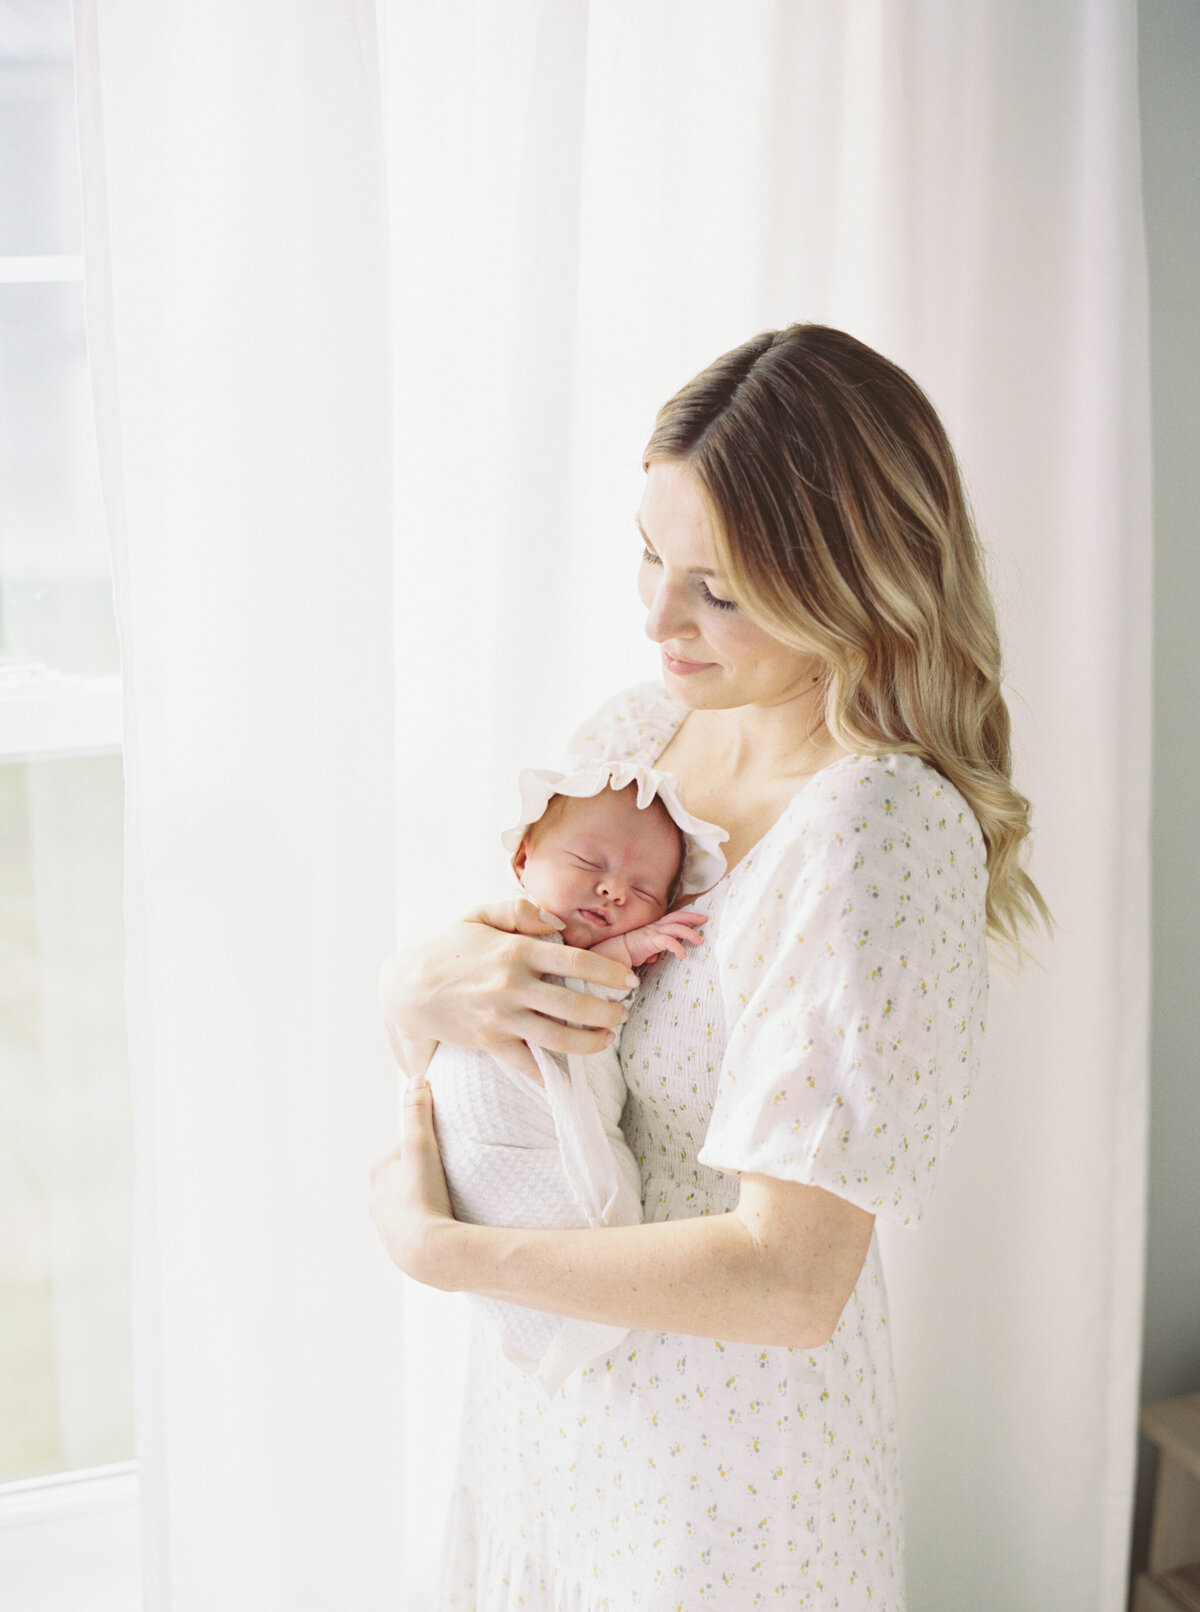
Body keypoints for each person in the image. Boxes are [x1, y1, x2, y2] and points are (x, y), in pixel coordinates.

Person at [370, 323, 1051, 1610]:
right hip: (552, 1420)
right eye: (649, 554)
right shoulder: (647, 736)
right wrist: (411, 988)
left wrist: (443, 1251)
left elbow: (792, 1284)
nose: (657, 616)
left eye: (719, 589)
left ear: (856, 582)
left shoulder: (873, 828)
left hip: (719, 1481)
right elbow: (497, 1002)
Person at [426, 762, 726, 1396]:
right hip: (482, 1132)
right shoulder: (492, 942)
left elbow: (587, 983)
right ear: (523, 858)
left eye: (644, 891)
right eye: (591, 864)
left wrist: (630, 949)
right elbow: (548, 978)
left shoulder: (601, 958)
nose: (615, 891)